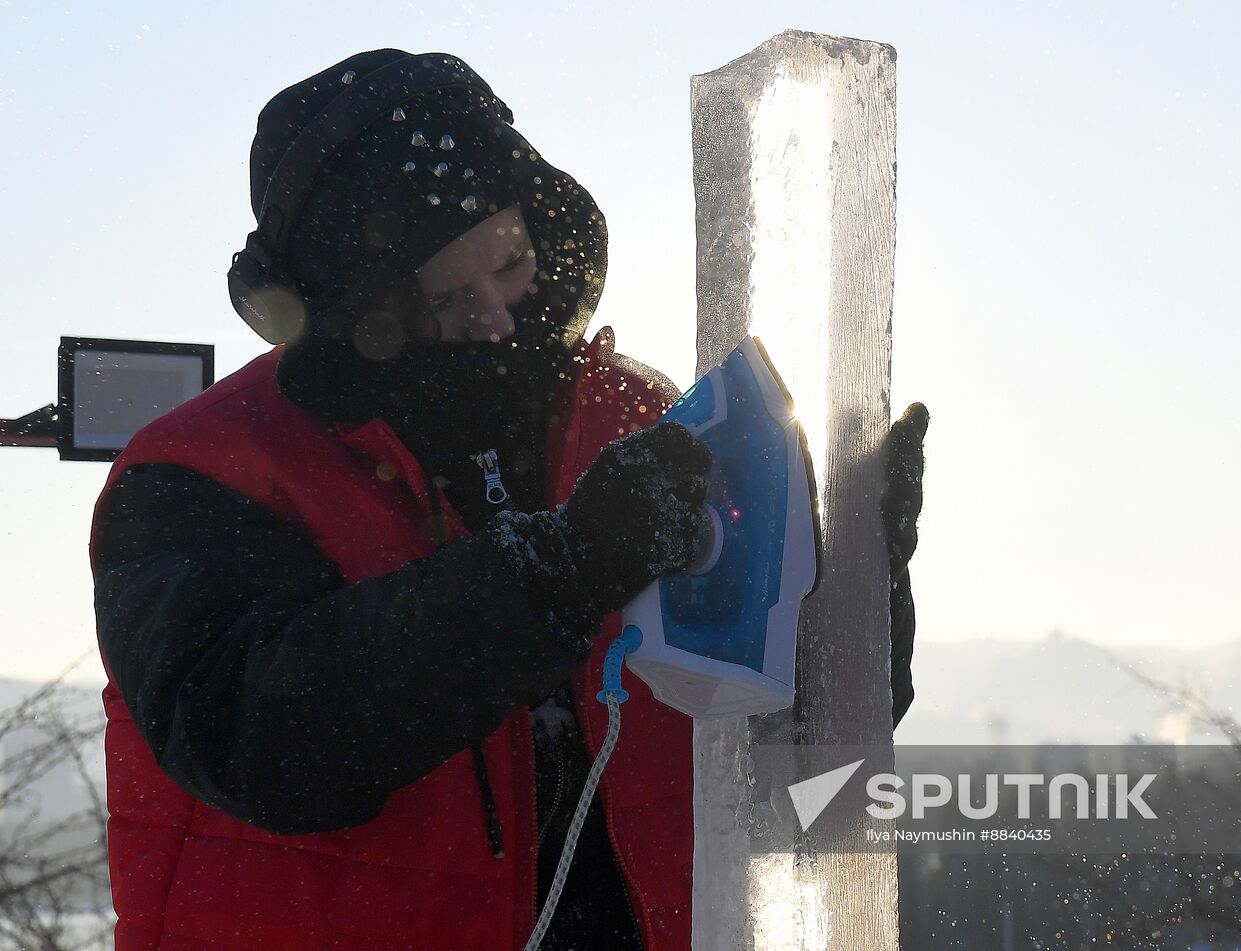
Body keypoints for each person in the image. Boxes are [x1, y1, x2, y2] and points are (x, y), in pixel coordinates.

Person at [90, 49, 926, 951]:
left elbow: (779, 761)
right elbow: (261, 742)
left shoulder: (635, 418)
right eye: (447, 296)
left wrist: (855, 594)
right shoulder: (199, 473)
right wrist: (560, 573)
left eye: (512, 261)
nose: (496, 316)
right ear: (359, 308)